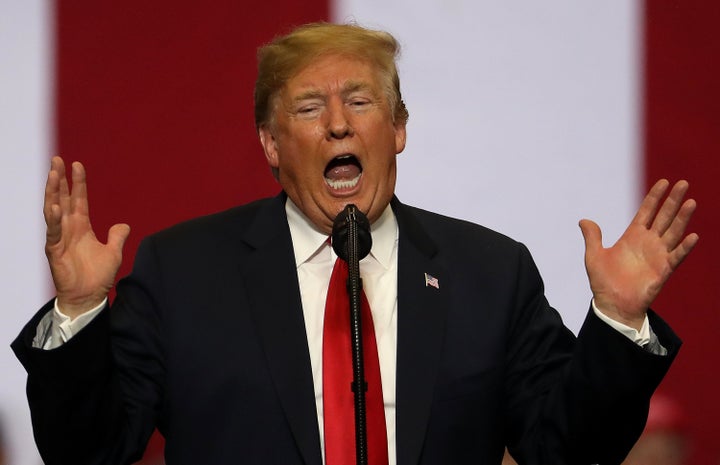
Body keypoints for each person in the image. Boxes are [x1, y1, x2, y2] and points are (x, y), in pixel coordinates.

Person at [12, 22, 698, 465]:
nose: (339, 124)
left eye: (362, 102)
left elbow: (566, 449)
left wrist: (617, 320)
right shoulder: (184, 273)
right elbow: (90, 450)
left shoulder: (491, 274)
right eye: (310, 108)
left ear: (398, 128)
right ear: (272, 145)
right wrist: (76, 310)